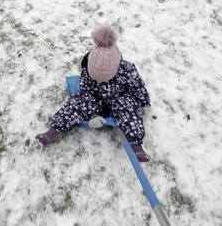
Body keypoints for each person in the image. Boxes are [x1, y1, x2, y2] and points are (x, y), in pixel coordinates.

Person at [36, 26, 151, 162]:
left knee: (130, 107)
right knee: (76, 102)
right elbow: (85, 94)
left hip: (118, 99)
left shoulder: (127, 69)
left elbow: (138, 87)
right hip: (94, 99)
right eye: (95, 77)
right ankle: (54, 131)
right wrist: (92, 115)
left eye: (103, 78)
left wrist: (145, 103)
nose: (98, 80)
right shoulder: (87, 72)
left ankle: (136, 144)